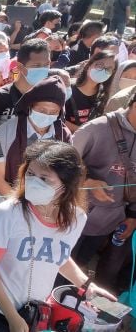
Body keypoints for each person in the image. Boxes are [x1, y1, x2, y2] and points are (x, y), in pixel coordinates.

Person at [0, 140, 115, 332]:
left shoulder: (77, 218)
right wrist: (12, 316)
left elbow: (58, 257)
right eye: (30, 174)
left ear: (67, 185)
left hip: (32, 312)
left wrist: (86, 285)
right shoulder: (6, 214)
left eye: (44, 178)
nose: (34, 182)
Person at [72, 91, 136, 290]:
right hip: (74, 216)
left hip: (108, 221)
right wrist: (88, 181)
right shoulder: (96, 128)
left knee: (80, 266)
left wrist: (132, 215)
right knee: (59, 263)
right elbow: (61, 163)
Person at [0, 76, 71, 208]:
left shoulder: (63, 135)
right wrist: (23, 205)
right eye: (42, 110)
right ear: (30, 106)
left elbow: (66, 176)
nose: (47, 115)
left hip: (49, 204)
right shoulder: (3, 133)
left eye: (53, 112)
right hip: (9, 201)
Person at [0, 39, 50, 133]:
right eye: (36, 65)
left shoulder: (48, 96)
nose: (43, 69)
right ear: (20, 66)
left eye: (47, 64)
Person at [64, 50, 116, 133]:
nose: (103, 70)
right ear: (89, 65)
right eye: (100, 65)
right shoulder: (67, 87)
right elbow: (55, 117)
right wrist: (80, 130)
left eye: (108, 69)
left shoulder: (103, 94)